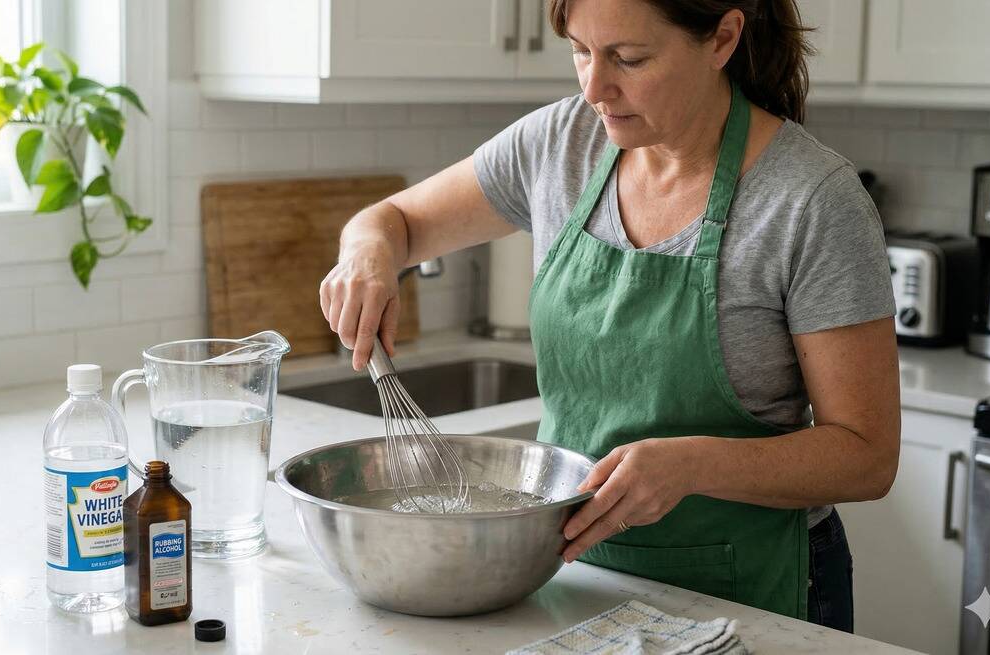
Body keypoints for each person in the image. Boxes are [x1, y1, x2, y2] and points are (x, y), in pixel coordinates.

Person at [319, 0, 899, 632]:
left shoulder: (811, 201)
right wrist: (368, 252)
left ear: (723, 39)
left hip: (745, 591)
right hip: (571, 576)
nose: (595, 88)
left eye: (629, 58)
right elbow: (392, 221)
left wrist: (693, 465)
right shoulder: (558, 144)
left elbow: (866, 456)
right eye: (580, 50)